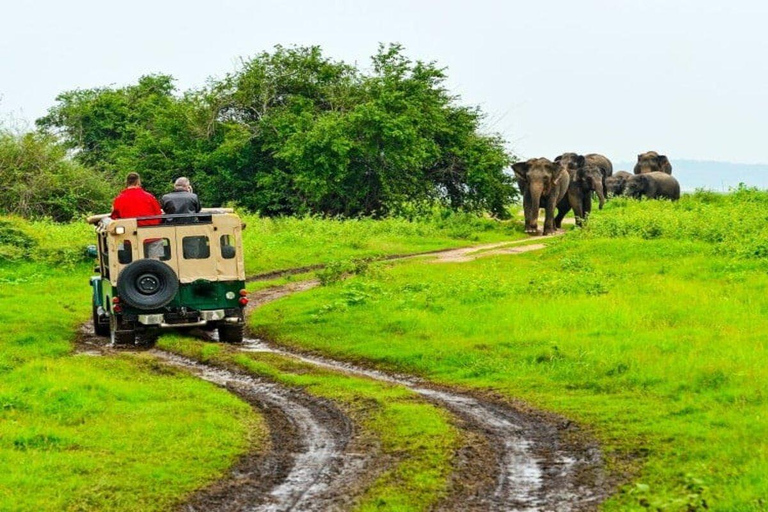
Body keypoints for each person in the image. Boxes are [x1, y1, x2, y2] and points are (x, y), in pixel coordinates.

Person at [111, 172, 164, 258]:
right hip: (152, 235)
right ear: (138, 182)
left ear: (126, 182)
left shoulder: (119, 199)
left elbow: (115, 218)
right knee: (155, 260)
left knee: (131, 260)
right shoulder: (149, 197)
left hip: (130, 237)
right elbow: (159, 215)